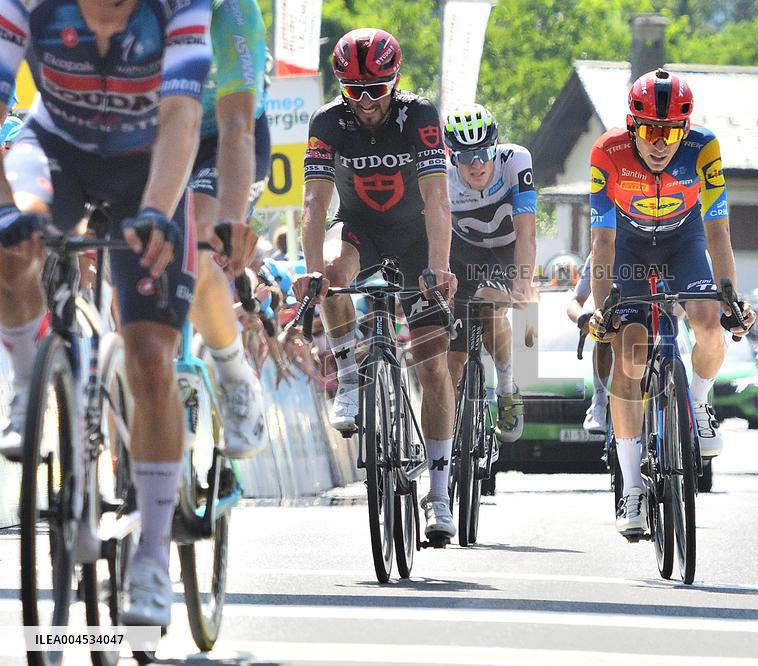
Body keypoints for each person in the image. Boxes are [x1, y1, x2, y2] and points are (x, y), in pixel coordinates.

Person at [0, 0, 212, 628]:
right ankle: (29, 375)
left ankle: (150, 554)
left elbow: (181, 114)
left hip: (150, 163)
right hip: (55, 150)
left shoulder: (181, 7)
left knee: (150, 358)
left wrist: (155, 209)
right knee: (10, 250)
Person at [294, 29, 459, 539]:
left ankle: (437, 491)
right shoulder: (327, 121)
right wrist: (310, 270)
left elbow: (437, 200)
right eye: (353, 91)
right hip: (360, 229)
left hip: (415, 238)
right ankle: (348, 373)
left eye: (377, 90)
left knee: (432, 367)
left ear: (396, 81)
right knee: (332, 273)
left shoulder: (421, 117)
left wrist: (438, 268)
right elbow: (315, 204)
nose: (365, 103)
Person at [588, 69, 755, 537]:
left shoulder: (704, 147)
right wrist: (605, 311)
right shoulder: (608, 150)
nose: (660, 143)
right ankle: (633, 486)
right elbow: (601, 240)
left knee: (707, 323)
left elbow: (719, 228)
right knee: (631, 348)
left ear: (685, 130)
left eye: (670, 133)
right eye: (649, 130)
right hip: (628, 244)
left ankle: (698, 405)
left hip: (684, 239)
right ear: (631, 125)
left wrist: (731, 297)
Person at [184, 0, 271, 459]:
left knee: (198, 243)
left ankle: (235, 376)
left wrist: (232, 223)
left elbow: (238, 127)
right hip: (160, 133)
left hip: (223, 137)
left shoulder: (232, 11)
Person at [442, 104, 536, 443]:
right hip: (463, 257)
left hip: (507, 253)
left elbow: (527, 230)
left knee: (492, 307)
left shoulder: (515, 160)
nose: (477, 164)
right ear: (452, 156)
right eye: (466, 156)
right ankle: (449, 439)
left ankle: (507, 389)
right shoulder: (440, 172)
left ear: (494, 148)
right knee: (453, 357)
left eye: (483, 153)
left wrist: (523, 283)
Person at [565, 254, 611, 433]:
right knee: (603, 330)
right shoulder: (598, 255)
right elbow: (575, 301)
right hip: (613, 314)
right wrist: (582, 319)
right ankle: (599, 400)